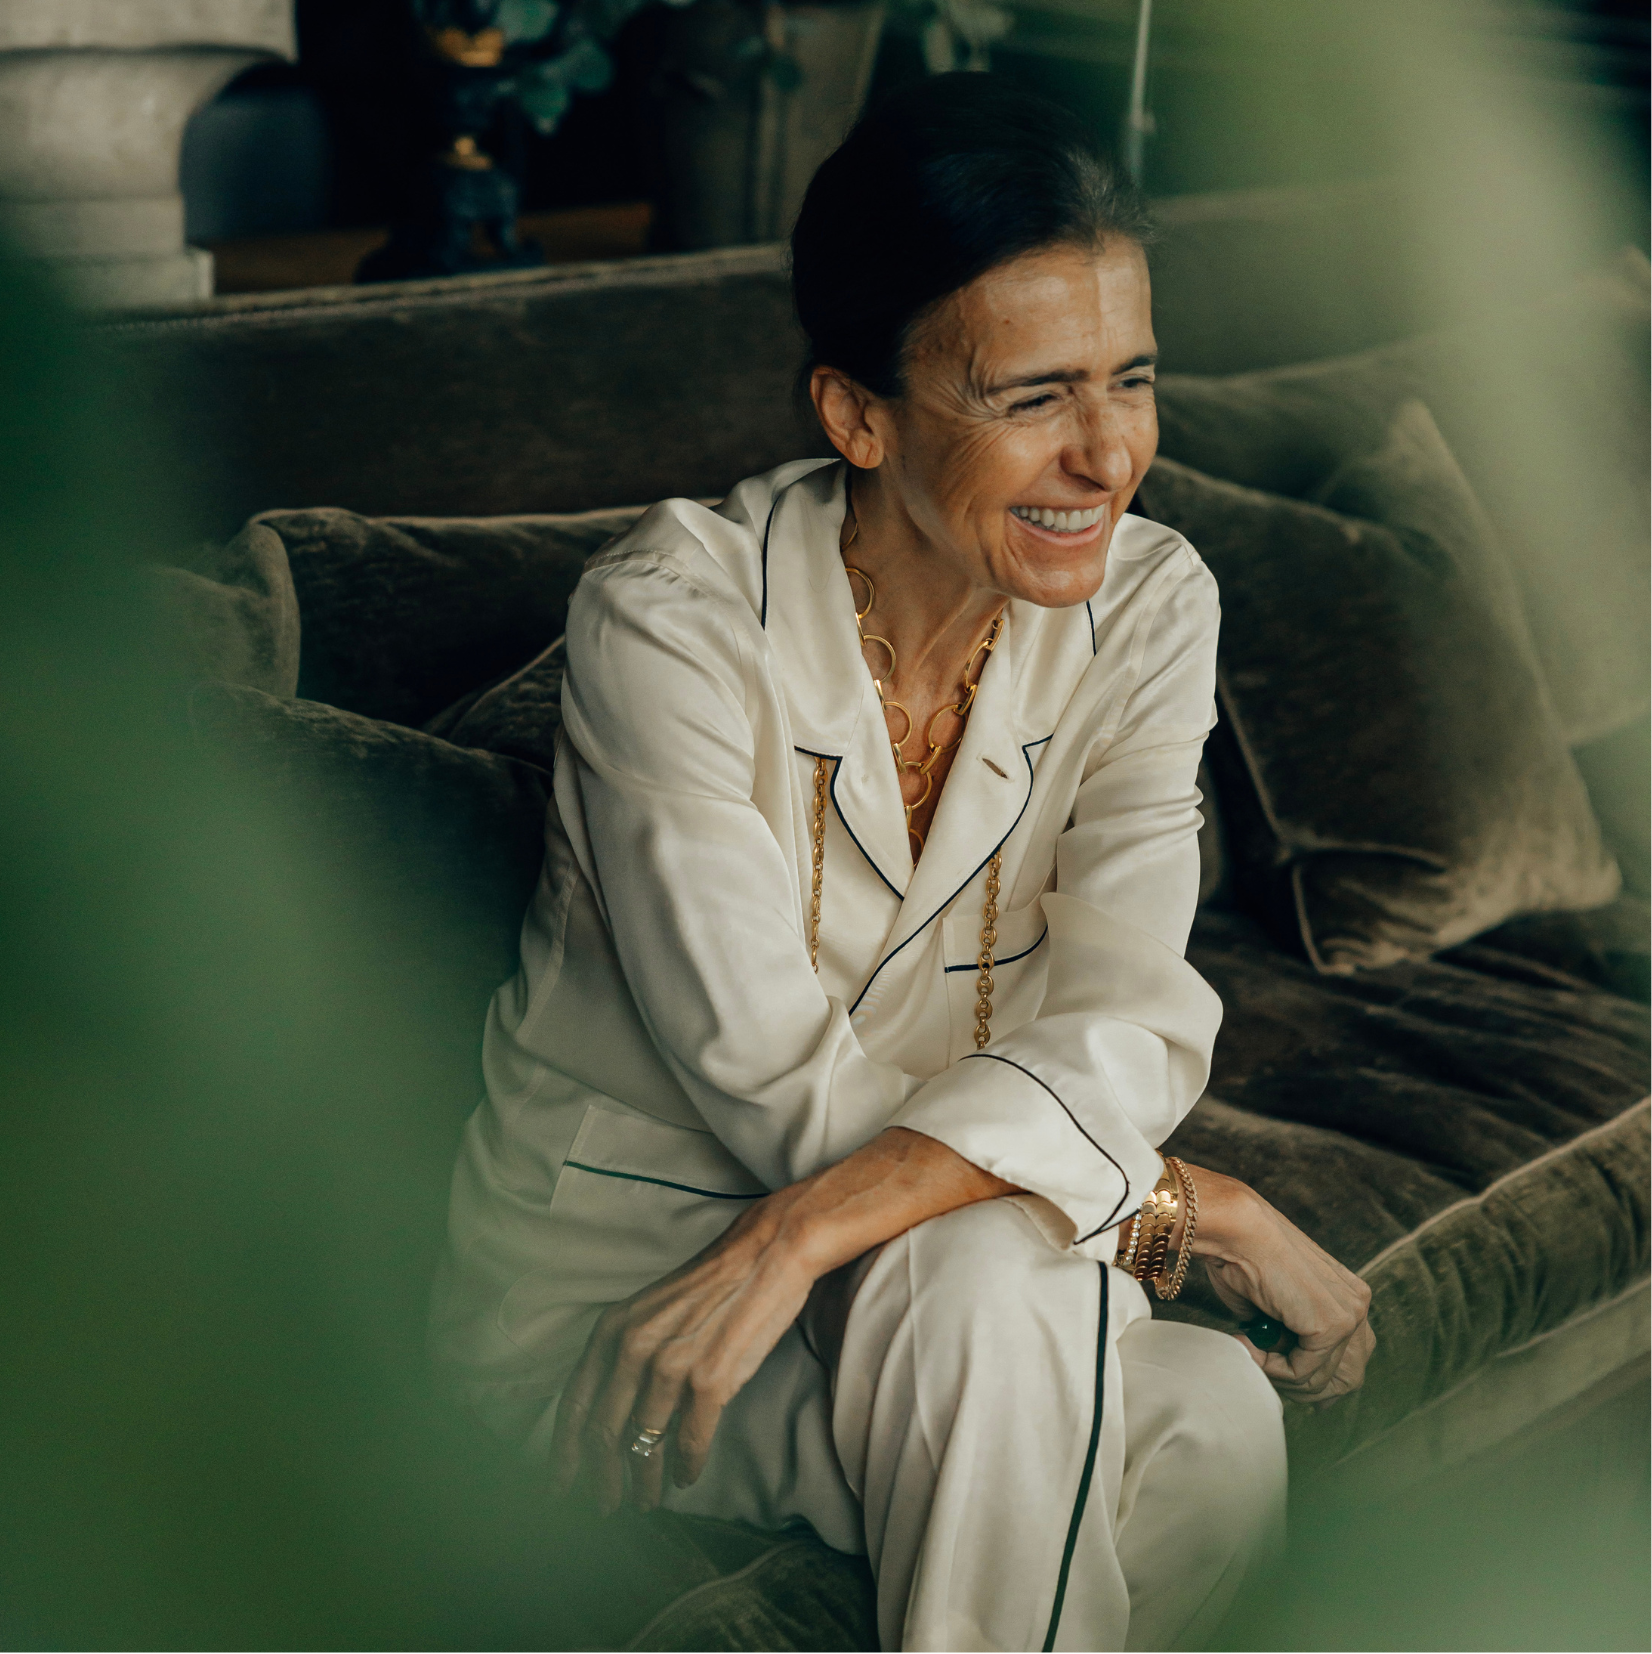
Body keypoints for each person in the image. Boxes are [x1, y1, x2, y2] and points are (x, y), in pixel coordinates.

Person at [431, 72, 1374, 1652]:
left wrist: (806, 1232)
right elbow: (771, 1081)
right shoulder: (668, 620)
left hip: (888, 1270)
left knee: (1212, 1411)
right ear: (855, 413)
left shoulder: (1149, 602)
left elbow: (1129, 1021)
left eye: (1128, 379)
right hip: (649, 1309)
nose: (1104, 453)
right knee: (998, 1288)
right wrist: (1185, 1208)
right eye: (1030, 396)